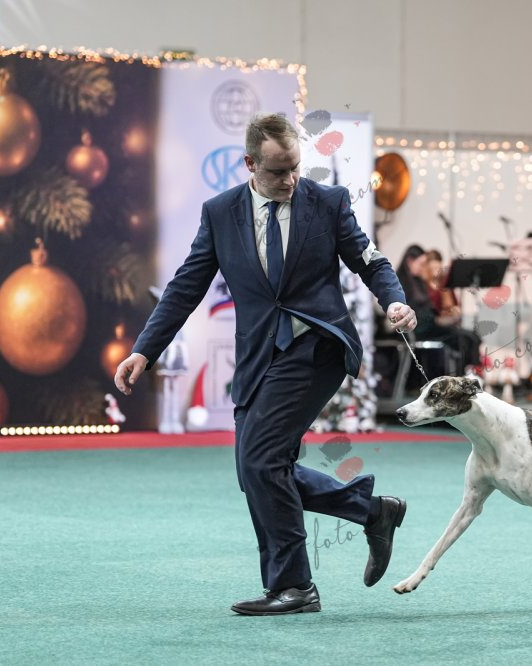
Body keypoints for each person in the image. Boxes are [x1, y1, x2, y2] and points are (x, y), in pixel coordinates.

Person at [113, 113, 417, 616]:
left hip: (317, 347)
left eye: (295, 167)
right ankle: (371, 511)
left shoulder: (328, 202)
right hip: (258, 356)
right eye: (278, 171)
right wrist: (145, 350)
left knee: (260, 462)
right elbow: (185, 287)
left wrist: (395, 300)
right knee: (256, 470)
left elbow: (371, 261)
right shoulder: (220, 213)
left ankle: (295, 586)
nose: (290, 179)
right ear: (250, 163)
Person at [395, 245, 481, 371]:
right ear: (410, 261)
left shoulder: (417, 282)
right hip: (418, 331)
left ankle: (468, 373)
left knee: (471, 337)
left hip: (428, 327)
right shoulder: (400, 282)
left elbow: (429, 310)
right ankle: (463, 374)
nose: (423, 268)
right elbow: (418, 315)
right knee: (465, 339)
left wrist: (442, 319)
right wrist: (437, 321)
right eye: (421, 264)